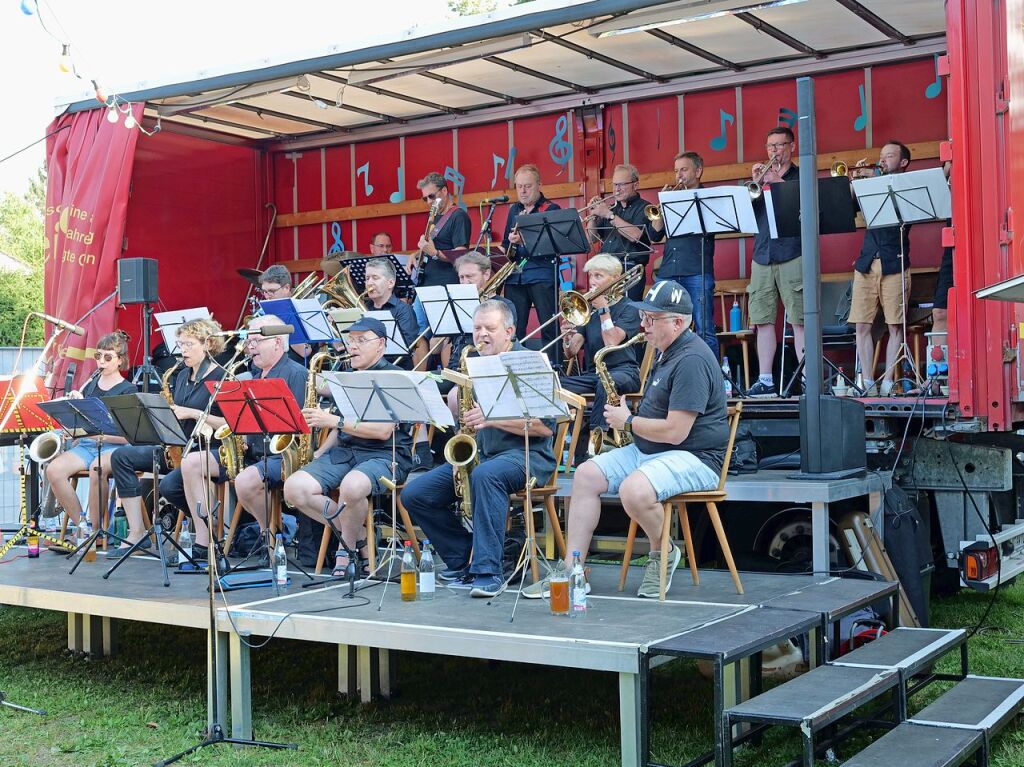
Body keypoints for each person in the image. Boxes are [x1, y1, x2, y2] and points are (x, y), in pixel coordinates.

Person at [527, 281, 728, 599]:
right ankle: (572, 570)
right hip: (655, 451)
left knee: (633, 490)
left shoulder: (691, 360)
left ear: (677, 322)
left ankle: (663, 552)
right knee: (586, 474)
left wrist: (629, 421)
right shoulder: (666, 351)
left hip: (695, 456)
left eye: (651, 318)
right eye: (643, 317)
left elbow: (676, 432)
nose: (643, 325)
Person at [400, 300, 557, 598]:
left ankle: (489, 571)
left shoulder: (529, 362)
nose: (481, 334)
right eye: (477, 328)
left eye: (490, 328)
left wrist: (492, 418)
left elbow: (545, 426)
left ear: (509, 331)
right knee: (414, 495)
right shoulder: (474, 364)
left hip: (527, 456)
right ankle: (463, 558)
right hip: (484, 454)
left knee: (486, 475)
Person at [283, 317, 413, 577]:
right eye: (350, 340)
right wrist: (319, 452)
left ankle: (348, 550)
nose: (352, 346)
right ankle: (360, 534)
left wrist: (334, 420)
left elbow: (382, 431)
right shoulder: (346, 376)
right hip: (346, 452)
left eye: (361, 340)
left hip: (385, 454)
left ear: (381, 345)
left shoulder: (393, 377)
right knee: (294, 488)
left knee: (353, 487)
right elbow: (340, 428)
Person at [179, 315, 307, 562]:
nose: (250, 346)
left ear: (278, 343)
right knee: (191, 463)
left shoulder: (296, 373)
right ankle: (204, 542)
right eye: (250, 340)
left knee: (246, 481)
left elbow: (297, 429)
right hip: (253, 452)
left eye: (257, 340)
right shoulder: (254, 373)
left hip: (281, 456)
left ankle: (269, 533)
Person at [107, 319, 227, 558]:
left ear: (208, 344)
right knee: (121, 456)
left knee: (169, 486)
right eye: (180, 344)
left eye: (189, 344)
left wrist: (193, 413)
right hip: (178, 448)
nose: (182, 350)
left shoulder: (223, 377)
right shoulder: (181, 375)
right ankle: (137, 532)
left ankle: (208, 531)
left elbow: (229, 424)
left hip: (211, 449)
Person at [44, 331, 136, 538]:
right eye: (98, 356)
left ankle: (95, 531)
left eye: (108, 357)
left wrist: (98, 436)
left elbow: (129, 436)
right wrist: (73, 417)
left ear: (120, 360)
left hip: (115, 448)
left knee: (97, 469)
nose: (101, 362)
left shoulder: (128, 389)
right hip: (87, 445)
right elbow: (86, 425)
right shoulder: (90, 384)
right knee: (54, 470)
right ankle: (83, 526)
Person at [559, 254, 642, 459]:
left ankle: (596, 442)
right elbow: (571, 352)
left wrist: (604, 309)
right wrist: (567, 337)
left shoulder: (629, 308)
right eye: (590, 276)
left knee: (606, 383)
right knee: (554, 384)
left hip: (624, 372)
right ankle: (558, 442)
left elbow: (611, 342)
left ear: (615, 278)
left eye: (598, 275)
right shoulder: (588, 311)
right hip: (593, 374)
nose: (592, 282)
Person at [849, 141, 913, 396]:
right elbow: (849, 207)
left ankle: (887, 381)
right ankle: (866, 381)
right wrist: (855, 183)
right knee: (861, 326)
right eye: (881, 156)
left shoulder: (907, 186)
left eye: (890, 156)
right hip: (866, 262)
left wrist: (875, 177)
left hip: (894, 261)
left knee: (895, 326)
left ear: (903, 162)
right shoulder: (871, 186)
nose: (883, 160)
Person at [745, 126, 804, 399]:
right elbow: (746, 212)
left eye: (780, 145)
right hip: (763, 253)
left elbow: (801, 205)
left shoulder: (800, 177)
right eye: (771, 146)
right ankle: (765, 379)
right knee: (763, 318)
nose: (775, 151)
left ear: (791, 147)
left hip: (793, 251)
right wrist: (755, 184)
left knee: (799, 318)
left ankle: (806, 378)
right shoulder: (760, 179)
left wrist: (776, 180)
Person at [650, 151, 719, 358]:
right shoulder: (671, 198)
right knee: (659, 325)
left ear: (698, 171)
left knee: (704, 328)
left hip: (697, 270)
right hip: (669, 270)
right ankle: (660, 377)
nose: (679, 175)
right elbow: (655, 233)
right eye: (676, 170)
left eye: (684, 169)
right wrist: (661, 205)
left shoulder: (708, 199)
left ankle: (712, 380)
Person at [500, 164, 561, 354]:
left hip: (541, 275)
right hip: (515, 277)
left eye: (528, 186)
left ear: (539, 185)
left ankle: (554, 368)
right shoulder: (513, 211)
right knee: (513, 329)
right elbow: (505, 244)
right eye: (519, 186)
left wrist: (524, 239)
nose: (523, 191)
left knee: (549, 326)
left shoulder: (550, 208)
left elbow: (555, 245)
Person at [585, 163, 653, 301]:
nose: (617, 189)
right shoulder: (610, 209)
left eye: (622, 185)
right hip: (604, 271)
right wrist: (593, 216)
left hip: (629, 272)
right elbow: (590, 239)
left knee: (627, 316)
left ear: (635, 185)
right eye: (615, 185)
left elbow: (635, 236)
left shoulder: (645, 208)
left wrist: (609, 215)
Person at [414, 172, 471, 287]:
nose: (429, 202)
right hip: (426, 281)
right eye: (425, 198)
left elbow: (461, 255)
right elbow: (432, 247)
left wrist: (435, 254)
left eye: (432, 196)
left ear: (444, 191)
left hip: (447, 283)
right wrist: (415, 255)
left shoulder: (458, 216)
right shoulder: (432, 216)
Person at [361, 257, 419, 369]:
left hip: (394, 371)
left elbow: (406, 349)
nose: (369, 283)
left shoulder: (404, 310)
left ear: (390, 283)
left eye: (375, 278)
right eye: (367, 278)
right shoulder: (363, 309)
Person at [258, 264, 311, 364]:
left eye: (272, 291)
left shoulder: (303, 310)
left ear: (286, 288)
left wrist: (280, 322)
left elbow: (305, 352)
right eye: (264, 292)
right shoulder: (263, 311)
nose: (267, 297)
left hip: (292, 366)